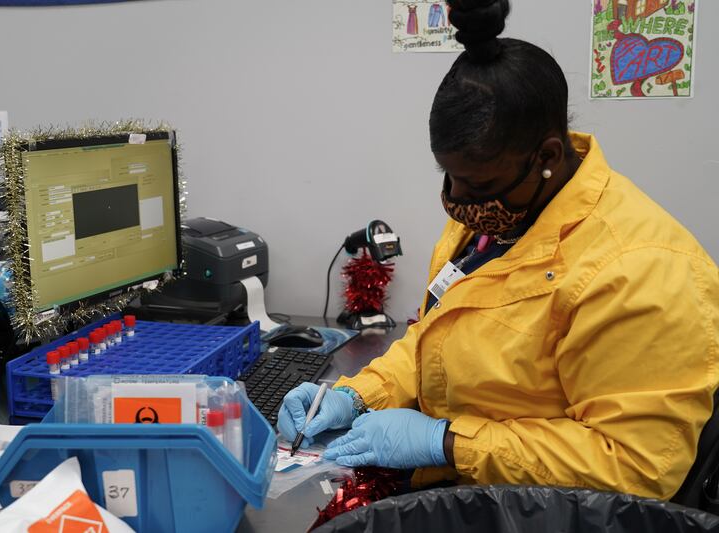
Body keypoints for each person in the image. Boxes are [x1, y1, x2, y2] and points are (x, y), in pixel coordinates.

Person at [277, 0, 719, 500]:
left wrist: (447, 442)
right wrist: (357, 395)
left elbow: (636, 467)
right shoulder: (498, 216)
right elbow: (436, 347)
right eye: (449, 177)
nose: (457, 201)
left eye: (475, 182)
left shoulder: (643, 270)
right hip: (467, 494)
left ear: (547, 156)